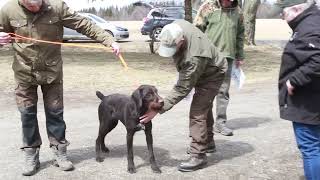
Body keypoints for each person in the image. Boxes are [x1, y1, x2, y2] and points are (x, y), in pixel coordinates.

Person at [0, 0, 120, 176]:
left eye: (38, 4)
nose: (36, 8)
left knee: (55, 113)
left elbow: (83, 23)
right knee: (27, 115)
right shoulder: (8, 9)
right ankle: (31, 154)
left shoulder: (57, 7)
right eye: (31, 7)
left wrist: (108, 40)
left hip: (52, 72)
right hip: (24, 73)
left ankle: (60, 152)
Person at [140, 19, 227, 172]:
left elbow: (181, 89)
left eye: (174, 47)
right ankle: (208, 143)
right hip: (204, 66)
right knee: (204, 106)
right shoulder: (175, 25)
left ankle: (198, 154)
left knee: (198, 111)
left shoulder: (194, 58)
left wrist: (159, 108)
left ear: (181, 41)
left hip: (213, 73)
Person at [278, 0, 320, 179]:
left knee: (311, 147)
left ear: (296, 9)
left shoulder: (309, 27)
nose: (282, 17)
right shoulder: (310, 22)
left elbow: (317, 60)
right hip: (312, 98)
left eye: (283, 12)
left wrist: (294, 80)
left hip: (307, 102)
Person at [193, 0, 245, 136]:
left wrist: (240, 55)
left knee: (223, 92)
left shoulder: (238, 11)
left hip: (228, 57)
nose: (230, 1)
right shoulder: (207, 7)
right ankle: (203, 124)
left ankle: (220, 123)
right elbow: (196, 31)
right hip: (208, 58)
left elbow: (240, 34)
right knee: (205, 92)